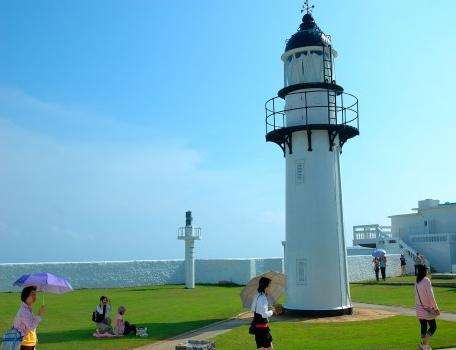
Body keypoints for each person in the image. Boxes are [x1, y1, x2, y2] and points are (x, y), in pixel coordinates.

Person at [250, 277, 281, 350]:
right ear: (266, 286)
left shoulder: (257, 295)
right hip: (263, 328)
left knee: (261, 348)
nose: (270, 287)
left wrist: (267, 308)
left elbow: (253, 309)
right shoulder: (262, 298)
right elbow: (264, 314)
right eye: (270, 285)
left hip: (257, 328)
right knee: (270, 348)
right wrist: (272, 311)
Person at [415, 264, 440, 350]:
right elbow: (431, 296)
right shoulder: (426, 280)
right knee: (433, 327)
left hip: (419, 308)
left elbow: (416, 296)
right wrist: (436, 308)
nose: (427, 271)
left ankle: (424, 346)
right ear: (424, 271)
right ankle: (425, 344)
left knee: (423, 326)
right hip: (427, 309)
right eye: (426, 270)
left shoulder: (417, 281)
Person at [13, 286, 45, 350]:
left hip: (29, 342)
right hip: (25, 343)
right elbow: (31, 326)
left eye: (35, 294)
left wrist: (34, 338)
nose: (34, 296)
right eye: (32, 294)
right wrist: (39, 314)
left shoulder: (28, 309)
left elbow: (31, 325)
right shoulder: (24, 311)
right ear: (26, 296)